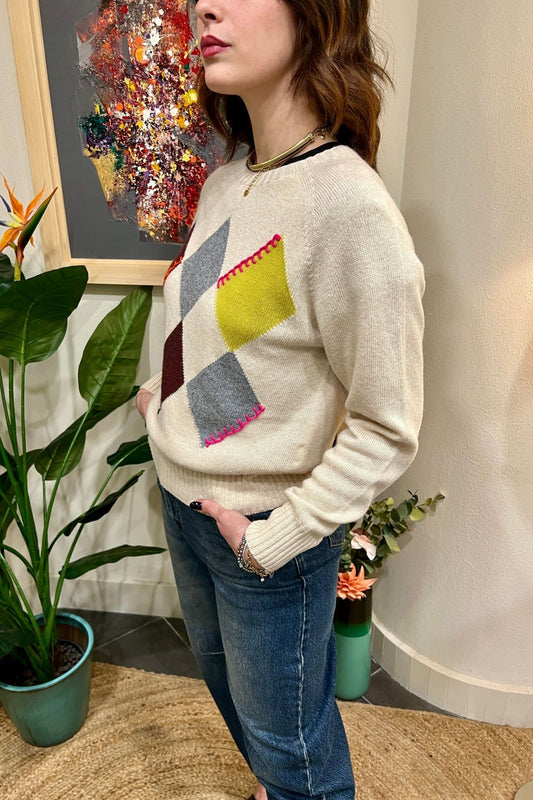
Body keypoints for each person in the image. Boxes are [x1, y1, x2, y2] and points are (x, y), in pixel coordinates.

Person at [136, 1, 424, 798]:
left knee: (294, 753)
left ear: (315, 16)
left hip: (264, 536)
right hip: (186, 506)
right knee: (248, 719)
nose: (203, 6)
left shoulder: (349, 206)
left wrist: (276, 538)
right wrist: (157, 398)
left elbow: (386, 425)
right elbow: (207, 318)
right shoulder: (227, 182)